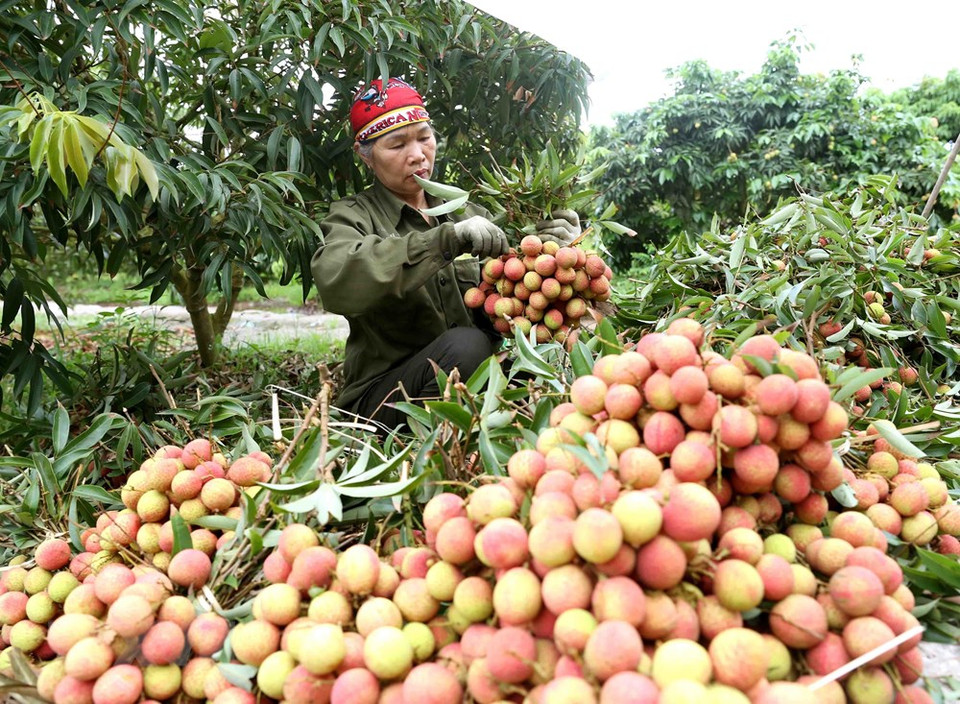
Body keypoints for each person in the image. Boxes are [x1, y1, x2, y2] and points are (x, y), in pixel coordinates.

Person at [312, 77, 580, 431]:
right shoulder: (352, 216)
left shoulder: (468, 214)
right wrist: (442, 242)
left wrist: (556, 253)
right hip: (384, 399)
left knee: (541, 370)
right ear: (366, 157)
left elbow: (511, 306)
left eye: (424, 137)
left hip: (471, 378)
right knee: (466, 346)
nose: (418, 155)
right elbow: (337, 280)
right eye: (396, 145)